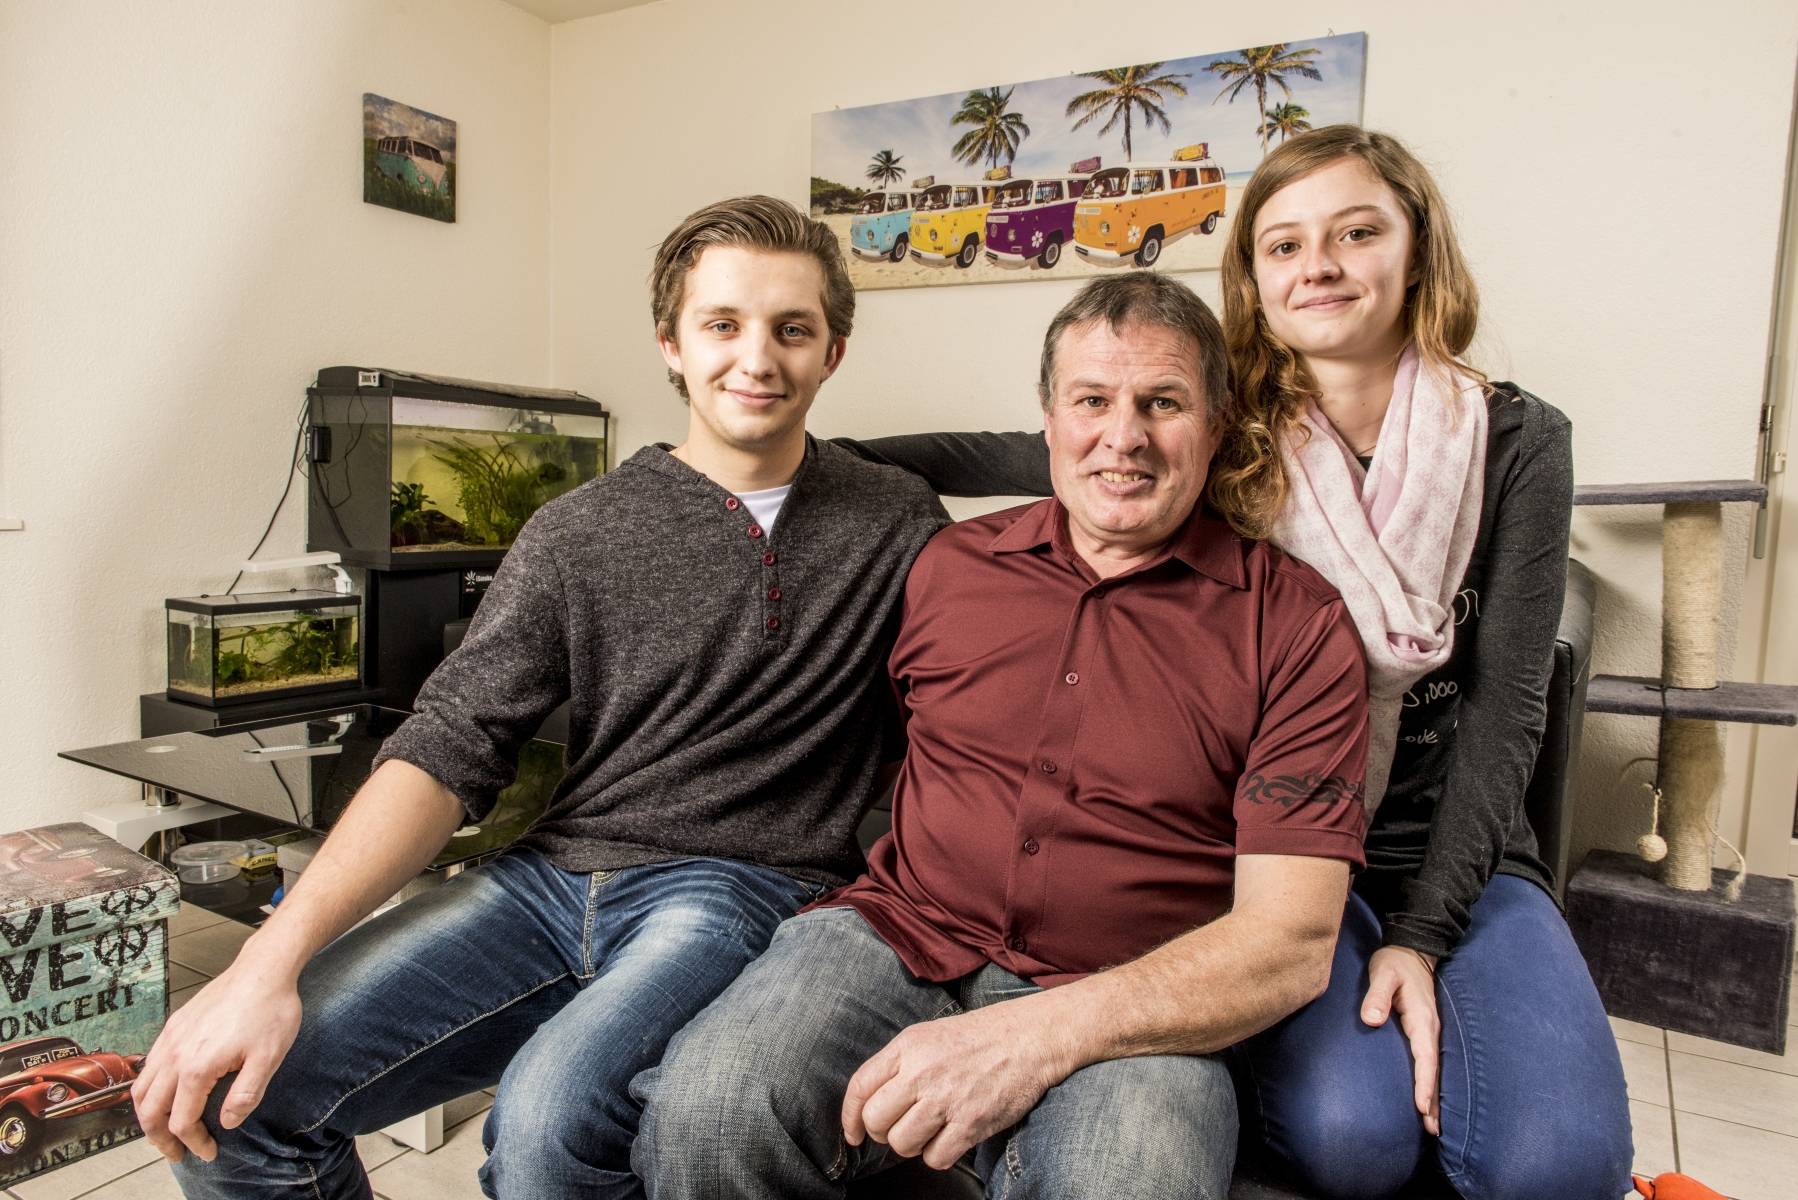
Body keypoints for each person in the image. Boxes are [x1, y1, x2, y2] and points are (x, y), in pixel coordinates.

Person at [842, 125, 1634, 1200]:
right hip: (1285, 845)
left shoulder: (1514, 437)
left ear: (1416, 251)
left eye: (1357, 233)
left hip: (1455, 840)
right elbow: (1043, 450)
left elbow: (1506, 709)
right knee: (1348, 1142)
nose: (1319, 265)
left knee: (1559, 1163)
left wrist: (1423, 933)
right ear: (1251, 280)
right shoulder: (1224, 430)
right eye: (1284, 244)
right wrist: (816, 461)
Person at [133, 195, 949, 1200]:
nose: (758, 358)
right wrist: (264, 963)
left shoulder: (897, 519)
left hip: (736, 887)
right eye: (722, 325)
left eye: (793, 330)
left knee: (545, 1122)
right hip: (544, 881)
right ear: (670, 345)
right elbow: (444, 746)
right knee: (233, 1107)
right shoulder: (578, 531)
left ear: (833, 353)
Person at [632, 271, 1372, 1199]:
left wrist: (1032, 1037)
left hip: (1134, 995)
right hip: (899, 933)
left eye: (1163, 403)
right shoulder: (947, 567)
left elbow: (1290, 942)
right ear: (1049, 420)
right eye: (1092, 400)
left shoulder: (1296, 625)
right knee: (710, 1108)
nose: (1124, 435)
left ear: (1216, 427)